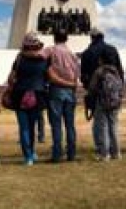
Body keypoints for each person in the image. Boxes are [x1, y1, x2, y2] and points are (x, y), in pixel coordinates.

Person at [9, 32, 48, 166]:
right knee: (32, 126)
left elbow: (11, 78)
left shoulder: (19, 59)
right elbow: (47, 77)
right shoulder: (44, 59)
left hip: (20, 94)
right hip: (37, 94)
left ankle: (28, 156)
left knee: (24, 127)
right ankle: (32, 151)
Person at [80, 27, 123, 145]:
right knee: (113, 121)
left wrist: (88, 89)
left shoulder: (87, 53)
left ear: (92, 37)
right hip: (113, 91)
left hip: (95, 91)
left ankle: (102, 146)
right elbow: (120, 70)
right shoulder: (112, 50)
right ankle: (114, 148)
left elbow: (83, 76)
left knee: (99, 121)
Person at [44, 29, 81, 163]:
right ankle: (71, 153)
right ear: (66, 39)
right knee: (70, 124)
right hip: (70, 90)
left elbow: (39, 56)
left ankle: (57, 154)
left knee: (56, 124)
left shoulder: (51, 50)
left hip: (56, 89)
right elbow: (77, 73)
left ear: (55, 38)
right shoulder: (72, 55)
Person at [88, 51, 123, 161]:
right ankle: (116, 153)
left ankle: (104, 154)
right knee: (114, 127)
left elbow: (92, 87)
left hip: (102, 102)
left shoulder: (99, 71)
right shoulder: (115, 71)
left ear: (102, 60)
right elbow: (121, 87)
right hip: (115, 103)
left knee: (103, 127)